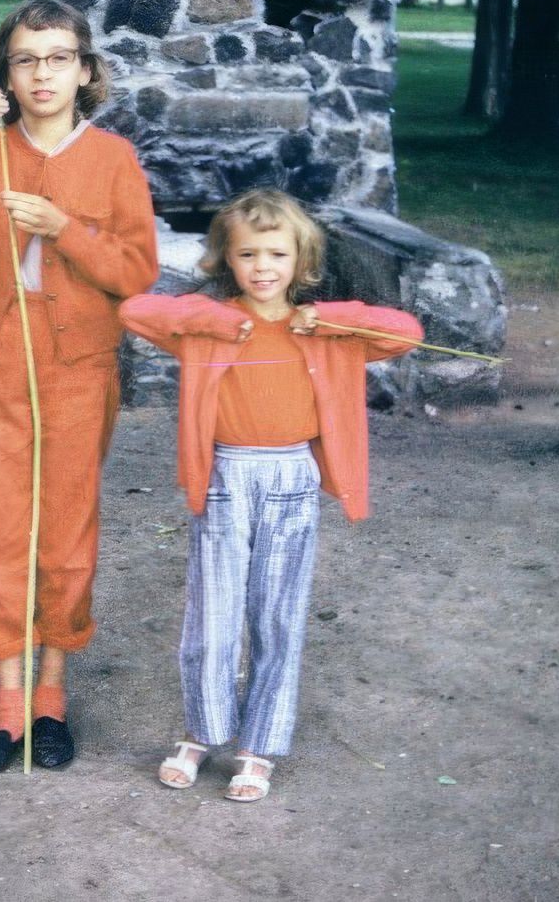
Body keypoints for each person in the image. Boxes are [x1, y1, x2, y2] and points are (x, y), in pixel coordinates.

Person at [119, 189, 423, 802]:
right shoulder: (211, 328)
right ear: (226, 260)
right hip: (227, 476)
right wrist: (215, 318)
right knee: (214, 615)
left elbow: (406, 332)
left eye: (277, 255)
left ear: (301, 262)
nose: (262, 267)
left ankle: (259, 744)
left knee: (277, 616)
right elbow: (135, 312)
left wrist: (336, 317)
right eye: (247, 254)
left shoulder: (326, 331)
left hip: (292, 480)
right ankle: (201, 731)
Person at [0, 0, 159, 777]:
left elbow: (136, 271)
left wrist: (66, 228)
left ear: (85, 70)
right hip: (1, 357)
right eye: (26, 60)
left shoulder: (113, 158)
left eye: (59, 58)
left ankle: (51, 699)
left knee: (64, 530)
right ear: (7, 75)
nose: (43, 73)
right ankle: (5, 705)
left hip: (80, 364)